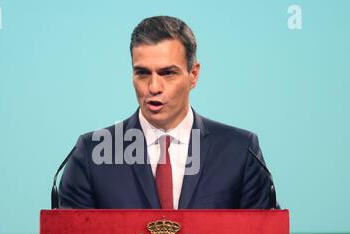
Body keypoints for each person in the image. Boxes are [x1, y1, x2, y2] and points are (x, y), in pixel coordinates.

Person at [59, 16, 276, 210]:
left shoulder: (240, 150)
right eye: (142, 73)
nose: (153, 87)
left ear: (194, 75)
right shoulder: (91, 153)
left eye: (168, 73)